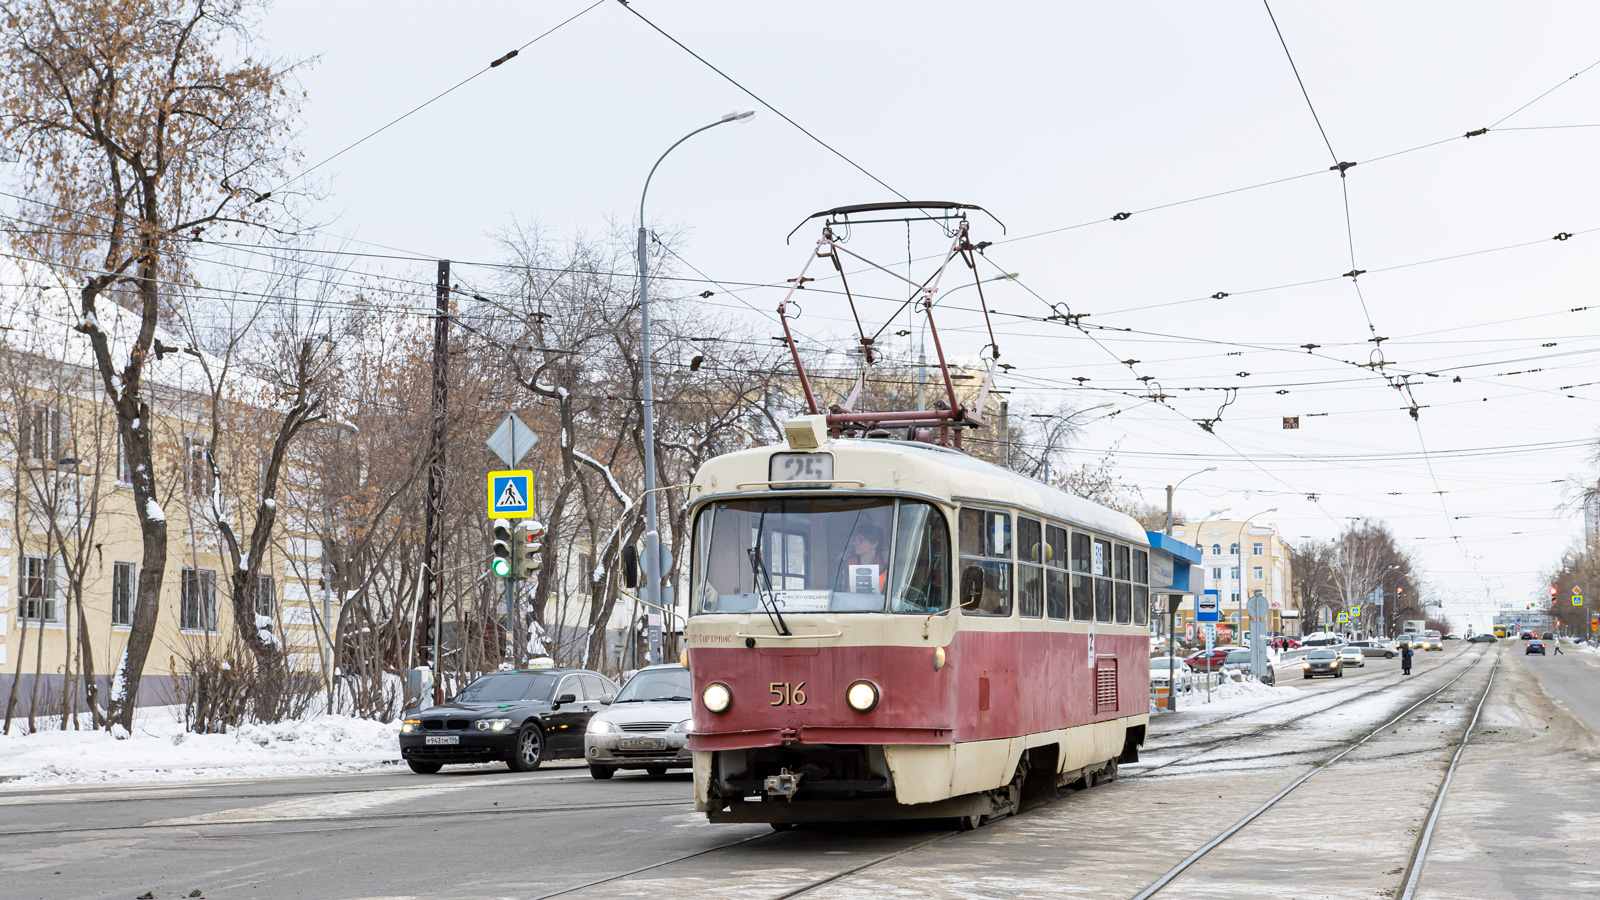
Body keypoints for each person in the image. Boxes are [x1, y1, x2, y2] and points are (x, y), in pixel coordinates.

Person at [839, 524, 888, 593]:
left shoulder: (886, 569)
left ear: (874, 543)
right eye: (856, 539)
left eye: (861, 540)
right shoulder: (845, 566)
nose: (856, 543)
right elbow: (838, 591)